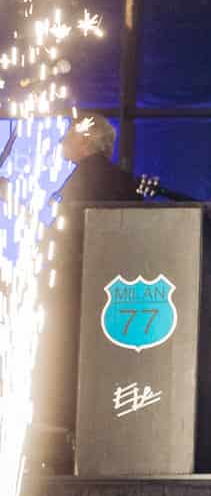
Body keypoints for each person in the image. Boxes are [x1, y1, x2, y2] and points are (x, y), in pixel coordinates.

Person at [32, 116, 141, 450]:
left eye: (70, 135)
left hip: (73, 283)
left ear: (87, 141)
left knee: (65, 358)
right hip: (108, 285)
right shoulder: (120, 180)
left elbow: (66, 232)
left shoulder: (83, 180)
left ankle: (64, 432)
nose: (63, 140)